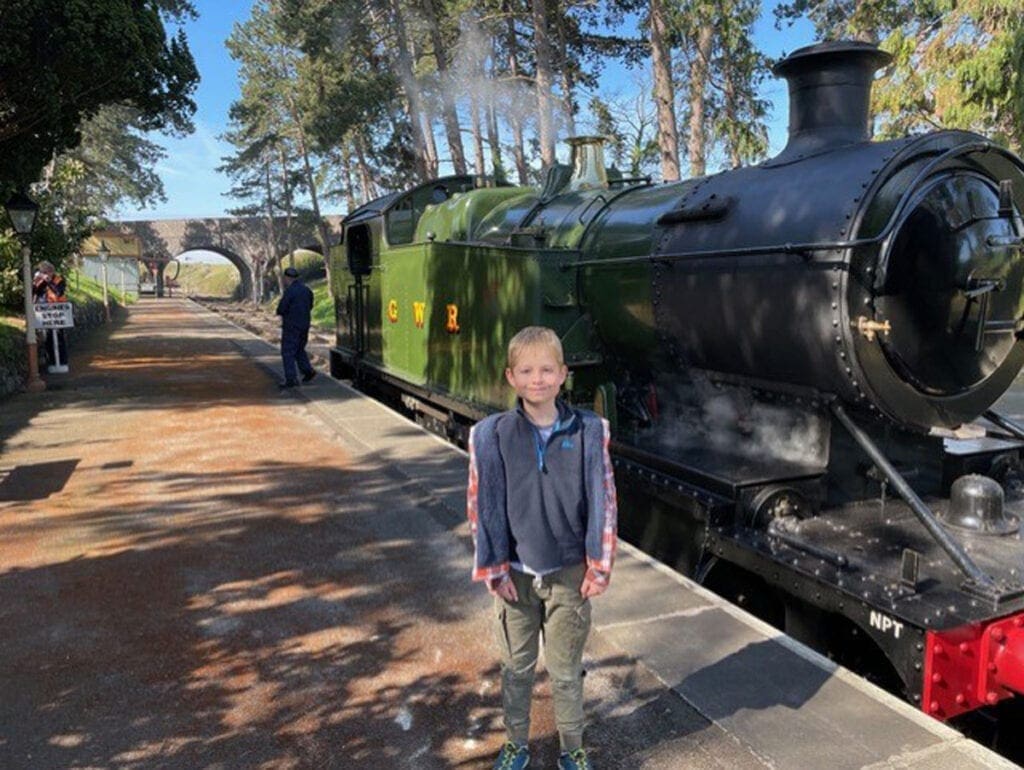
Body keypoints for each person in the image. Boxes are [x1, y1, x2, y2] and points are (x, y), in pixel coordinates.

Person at [467, 326, 617, 770]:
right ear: (511, 377)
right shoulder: (490, 435)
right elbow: (479, 503)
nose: (538, 379)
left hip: (570, 572)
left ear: (563, 375)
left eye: (547, 370)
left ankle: (573, 749)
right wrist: (492, 569)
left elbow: (605, 499)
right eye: (527, 371)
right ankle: (516, 743)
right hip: (514, 573)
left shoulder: (589, 431)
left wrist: (601, 566)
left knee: (567, 672)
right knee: (516, 670)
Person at [274, 266, 315, 388]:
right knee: (299, 349)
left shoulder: (290, 291)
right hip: (305, 324)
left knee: (288, 351)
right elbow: (311, 305)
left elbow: (281, 308)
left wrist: (282, 312)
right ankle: (308, 371)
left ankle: (291, 379)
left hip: (291, 325)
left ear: (287, 278)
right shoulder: (307, 290)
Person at [32, 260, 69, 374]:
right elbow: (34, 292)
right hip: (45, 315)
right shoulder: (41, 282)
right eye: (42, 272)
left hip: (58, 314)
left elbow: (58, 292)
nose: (44, 274)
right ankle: (52, 362)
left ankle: (62, 362)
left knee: (59, 338)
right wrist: (36, 282)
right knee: (48, 339)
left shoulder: (59, 280)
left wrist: (48, 281)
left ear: (51, 271)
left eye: (46, 272)